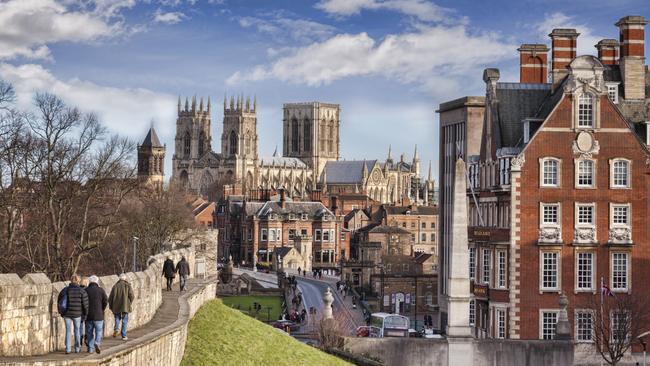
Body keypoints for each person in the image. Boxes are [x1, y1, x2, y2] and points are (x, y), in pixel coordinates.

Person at [57, 274, 89, 354]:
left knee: (68, 331)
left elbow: (59, 301)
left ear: (71, 280)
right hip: (77, 314)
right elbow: (85, 304)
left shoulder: (65, 290)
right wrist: (85, 314)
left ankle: (68, 349)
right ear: (78, 281)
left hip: (67, 313)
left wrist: (61, 312)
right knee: (77, 331)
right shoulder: (82, 291)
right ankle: (77, 348)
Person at [85, 275, 108, 354]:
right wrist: (102, 309)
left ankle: (90, 349)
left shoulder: (86, 290)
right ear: (97, 282)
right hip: (99, 315)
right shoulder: (101, 290)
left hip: (89, 315)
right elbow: (105, 301)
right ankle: (97, 343)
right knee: (99, 331)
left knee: (89, 332)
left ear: (90, 282)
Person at [109, 273, 134, 341]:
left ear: (119, 278)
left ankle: (116, 328)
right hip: (125, 306)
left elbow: (110, 297)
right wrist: (129, 303)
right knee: (124, 320)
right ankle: (124, 335)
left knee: (117, 317)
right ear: (125, 279)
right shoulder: (127, 285)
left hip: (116, 305)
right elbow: (132, 295)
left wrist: (111, 306)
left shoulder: (115, 286)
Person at [79, 276, 89, 347]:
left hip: (78, 312)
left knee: (80, 326)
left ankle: (80, 339)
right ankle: (86, 338)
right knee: (87, 326)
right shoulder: (88, 290)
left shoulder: (78, 289)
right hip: (86, 311)